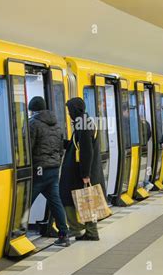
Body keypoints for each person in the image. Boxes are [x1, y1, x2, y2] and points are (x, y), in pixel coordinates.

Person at [59, 97, 106, 241]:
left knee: (68, 197)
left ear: (74, 110)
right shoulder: (84, 122)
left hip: (79, 172)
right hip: (80, 171)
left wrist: (85, 174)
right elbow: (77, 146)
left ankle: (77, 228)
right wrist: (63, 143)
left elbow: (86, 151)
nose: (68, 113)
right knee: (87, 199)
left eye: (69, 110)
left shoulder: (83, 124)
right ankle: (90, 231)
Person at [28, 96, 70, 247]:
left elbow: (28, 147)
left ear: (33, 110)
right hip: (53, 169)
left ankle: (16, 232)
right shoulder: (56, 124)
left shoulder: (33, 124)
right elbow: (60, 149)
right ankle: (64, 235)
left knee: (25, 201)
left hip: (39, 169)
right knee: (55, 201)